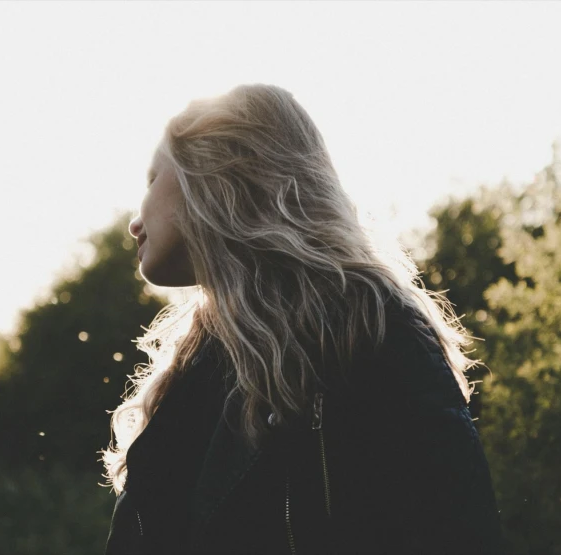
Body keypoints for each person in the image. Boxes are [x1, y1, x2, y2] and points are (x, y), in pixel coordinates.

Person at [101, 84, 503, 555]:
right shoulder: (198, 362)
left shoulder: (370, 329)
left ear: (213, 173)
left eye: (152, 180)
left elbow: (456, 529)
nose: (134, 221)